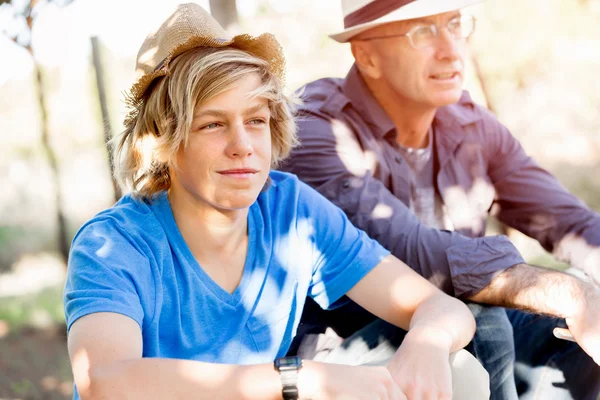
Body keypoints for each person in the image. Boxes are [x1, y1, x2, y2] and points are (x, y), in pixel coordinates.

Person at [63, 3, 490, 400]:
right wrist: (296, 378)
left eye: (256, 120)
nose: (242, 146)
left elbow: (440, 308)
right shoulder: (113, 244)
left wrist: (427, 340)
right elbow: (106, 381)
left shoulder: (291, 210)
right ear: (162, 142)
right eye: (212, 124)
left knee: (458, 370)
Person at [279, 0, 600, 399]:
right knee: (478, 312)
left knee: (577, 329)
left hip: (457, 338)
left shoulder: (472, 125)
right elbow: (417, 255)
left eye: (453, 23)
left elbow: (574, 225)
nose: (451, 49)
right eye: (423, 32)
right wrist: (570, 292)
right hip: (341, 358)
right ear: (367, 55)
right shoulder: (315, 129)